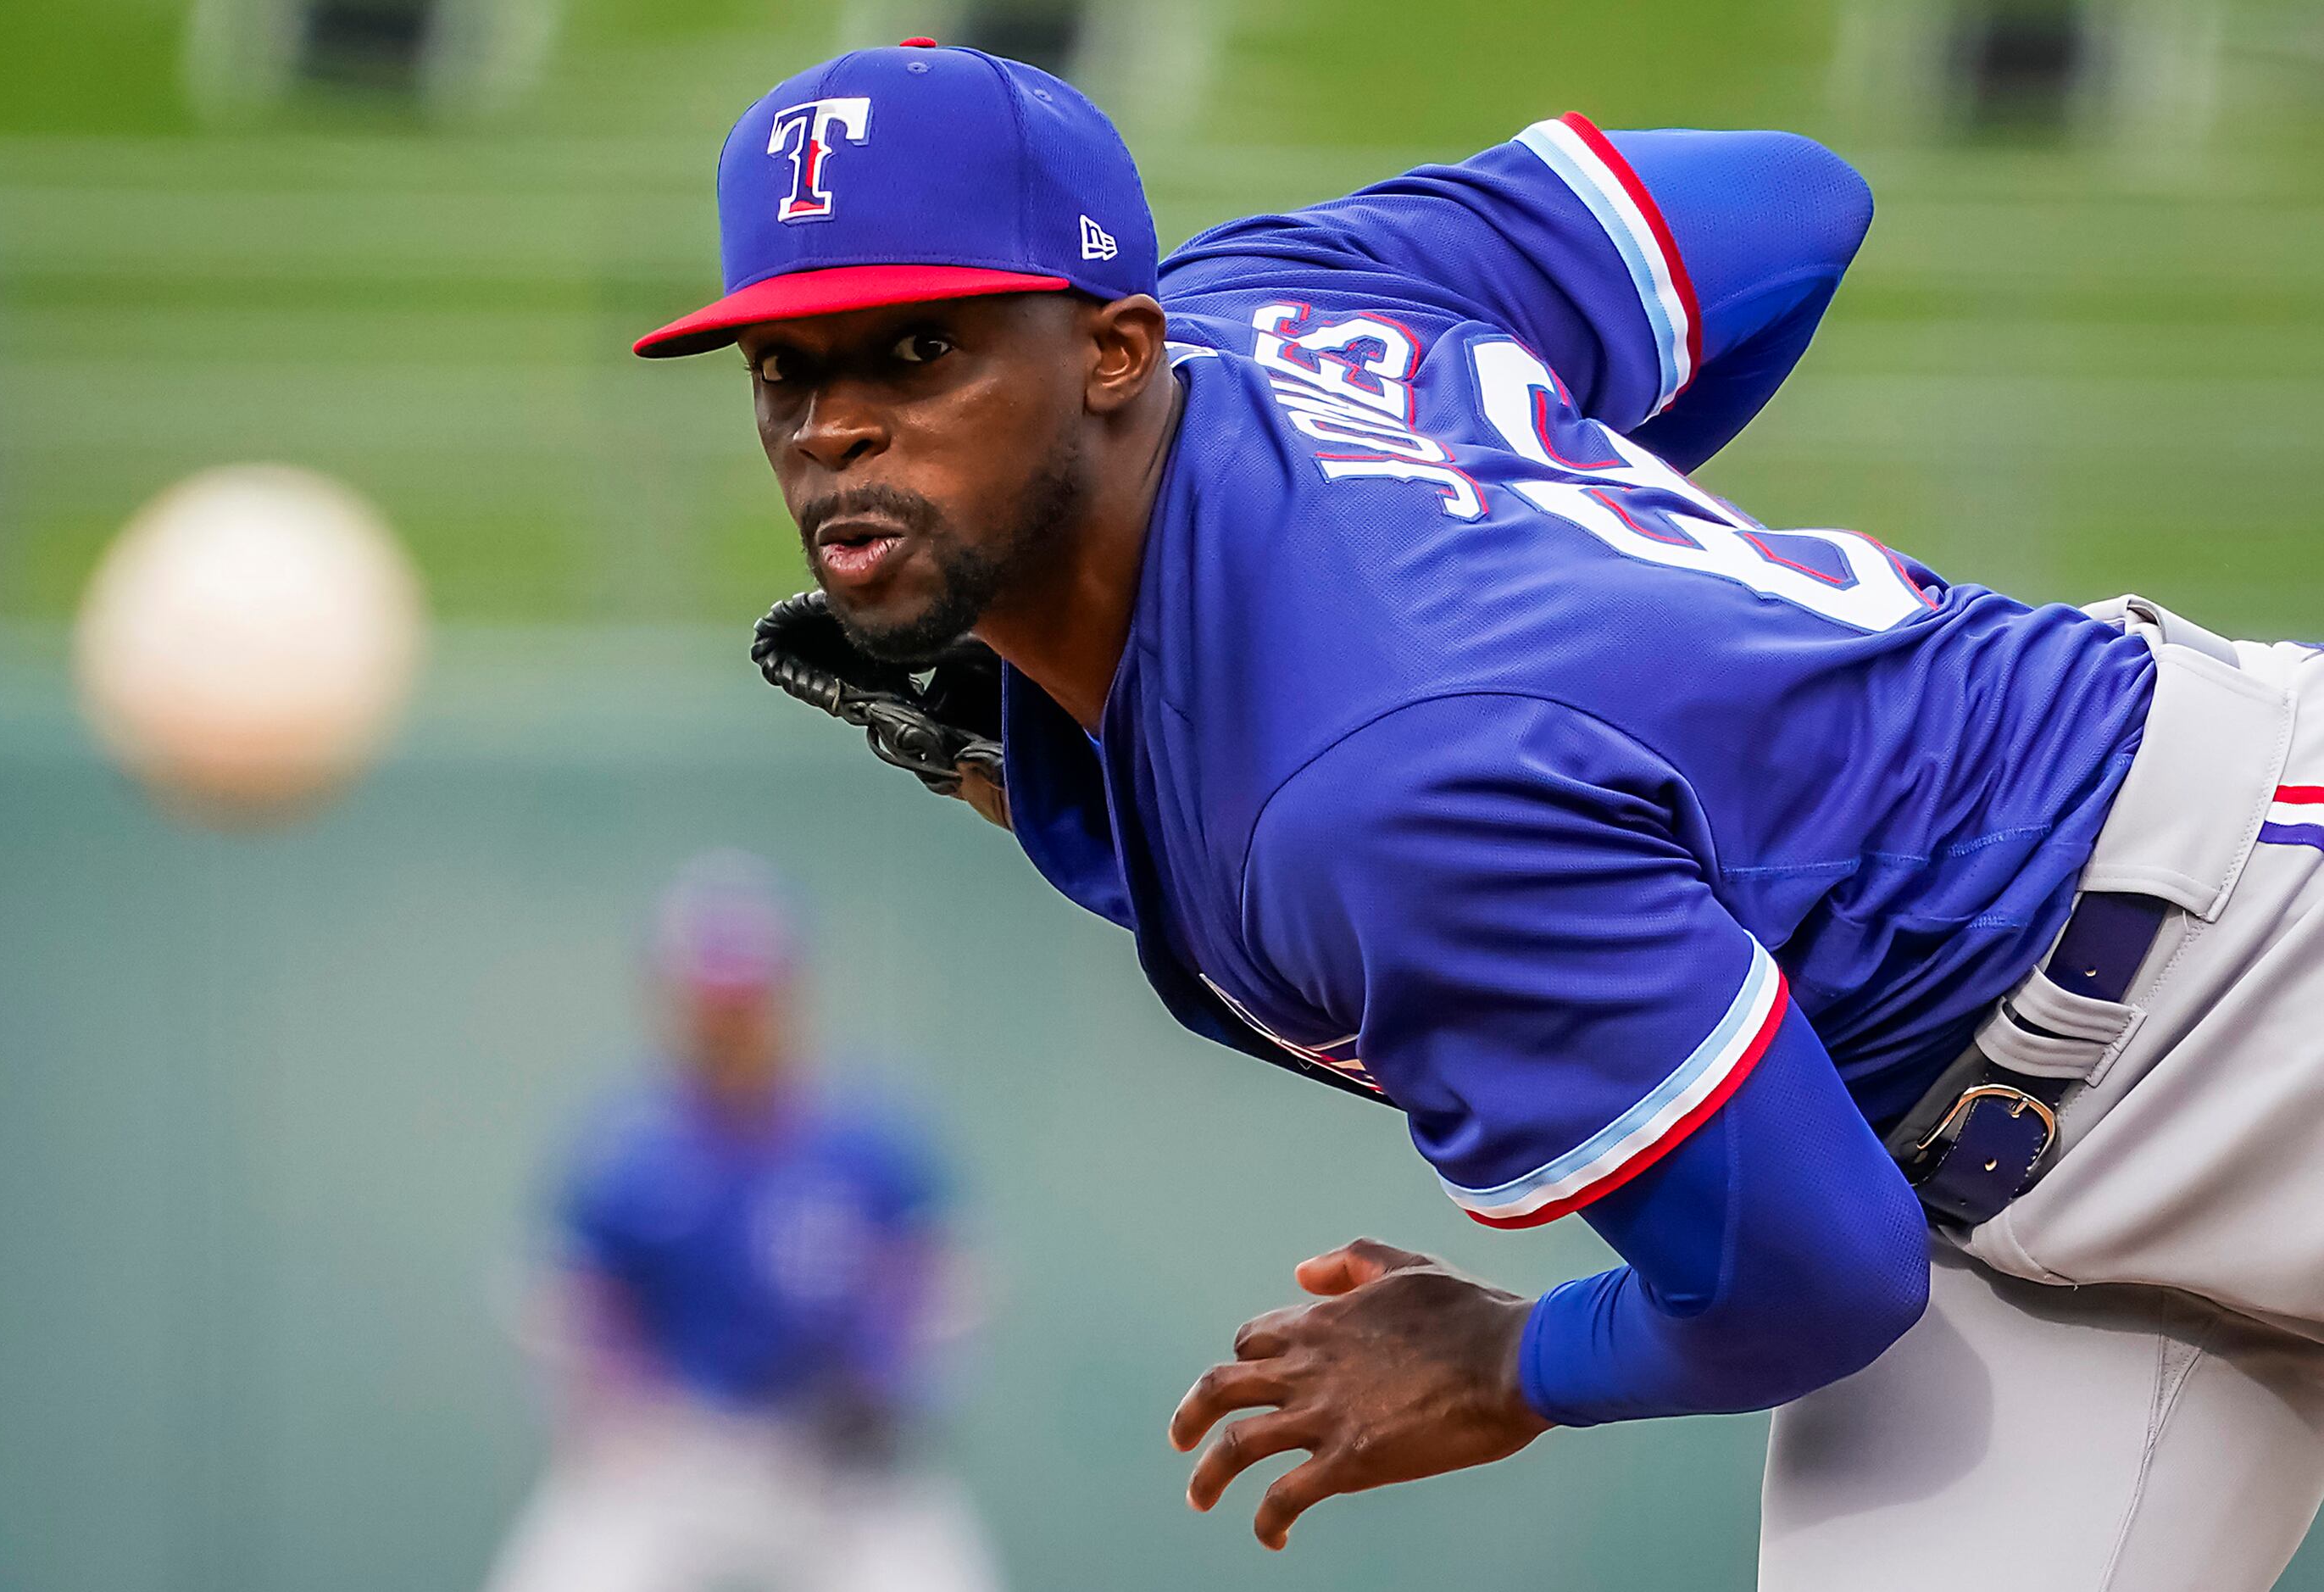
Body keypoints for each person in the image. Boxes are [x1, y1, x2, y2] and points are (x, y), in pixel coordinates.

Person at [634, 41, 2324, 1590]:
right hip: (1997, 1193)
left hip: (2259, 963)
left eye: (919, 347)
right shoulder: (1285, 303)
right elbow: (1785, 204)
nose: (835, 423)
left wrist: (1511, 1364)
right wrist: (1548, 525)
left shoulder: (1378, 778)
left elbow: (1811, 1274)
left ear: (1110, 348)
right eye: (784, 365)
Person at [485, 852, 1000, 1592]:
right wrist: (628, 1421)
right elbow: (572, 1314)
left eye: (746, 998)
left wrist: (884, 1387)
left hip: (834, 1461)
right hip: (675, 1453)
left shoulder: (870, 1137)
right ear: (670, 1001)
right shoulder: (620, 1151)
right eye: (709, 999)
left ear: (789, 995)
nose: (728, 1021)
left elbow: (939, 1285)